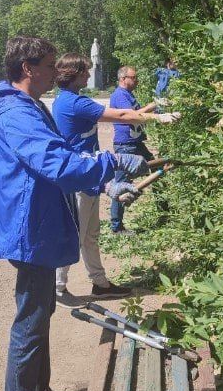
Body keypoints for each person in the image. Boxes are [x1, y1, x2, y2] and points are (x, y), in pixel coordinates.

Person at [0, 37, 148, 391]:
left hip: (34, 219)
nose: (55, 72)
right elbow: (56, 164)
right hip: (27, 226)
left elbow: (59, 154)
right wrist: (113, 162)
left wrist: (103, 179)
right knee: (30, 318)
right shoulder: (17, 112)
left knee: (42, 308)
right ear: (28, 68)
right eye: (48, 65)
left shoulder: (28, 107)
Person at [52, 53, 180, 301]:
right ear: (74, 74)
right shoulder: (72, 103)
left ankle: (99, 284)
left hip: (88, 177)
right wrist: (158, 116)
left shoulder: (71, 100)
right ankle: (56, 288)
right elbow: (121, 116)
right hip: (78, 179)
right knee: (75, 236)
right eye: (85, 72)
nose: (89, 75)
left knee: (90, 235)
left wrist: (104, 182)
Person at [109, 65, 178, 233]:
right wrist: (155, 105)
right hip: (126, 147)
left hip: (136, 144)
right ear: (123, 79)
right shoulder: (119, 95)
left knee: (158, 171)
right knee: (121, 184)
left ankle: (165, 213)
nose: (136, 80)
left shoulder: (128, 94)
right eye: (133, 77)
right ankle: (116, 227)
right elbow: (134, 116)